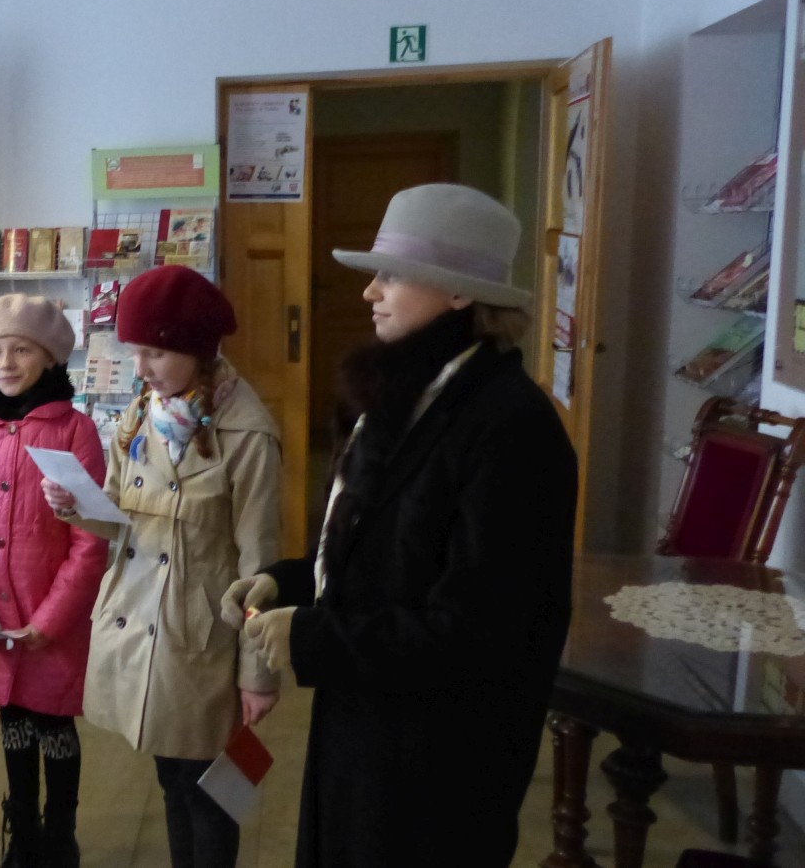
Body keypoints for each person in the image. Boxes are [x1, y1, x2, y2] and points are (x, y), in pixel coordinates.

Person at [223, 183, 578, 866]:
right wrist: (286, 582)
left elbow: (482, 633)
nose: (369, 292)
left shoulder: (513, 428)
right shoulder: (406, 394)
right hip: (367, 730)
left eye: (390, 274)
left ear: (459, 292)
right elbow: (380, 553)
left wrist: (313, 636)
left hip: (438, 766)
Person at [43, 264, 283, 868]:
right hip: (140, 626)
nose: (141, 367)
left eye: (155, 352)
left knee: (214, 792)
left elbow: (261, 563)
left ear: (199, 350)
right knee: (172, 781)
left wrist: (258, 672)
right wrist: (74, 504)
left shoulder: (247, 434)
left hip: (202, 639)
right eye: (134, 351)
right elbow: (119, 518)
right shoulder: (141, 416)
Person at [0, 294, 108, 868]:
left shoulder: (76, 431)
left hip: (51, 615)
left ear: (50, 357)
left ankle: (60, 831)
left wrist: (52, 619)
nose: (6, 363)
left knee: (54, 719)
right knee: (11, 718)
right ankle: (24, 827)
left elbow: (90, 540)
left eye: (22, 350)